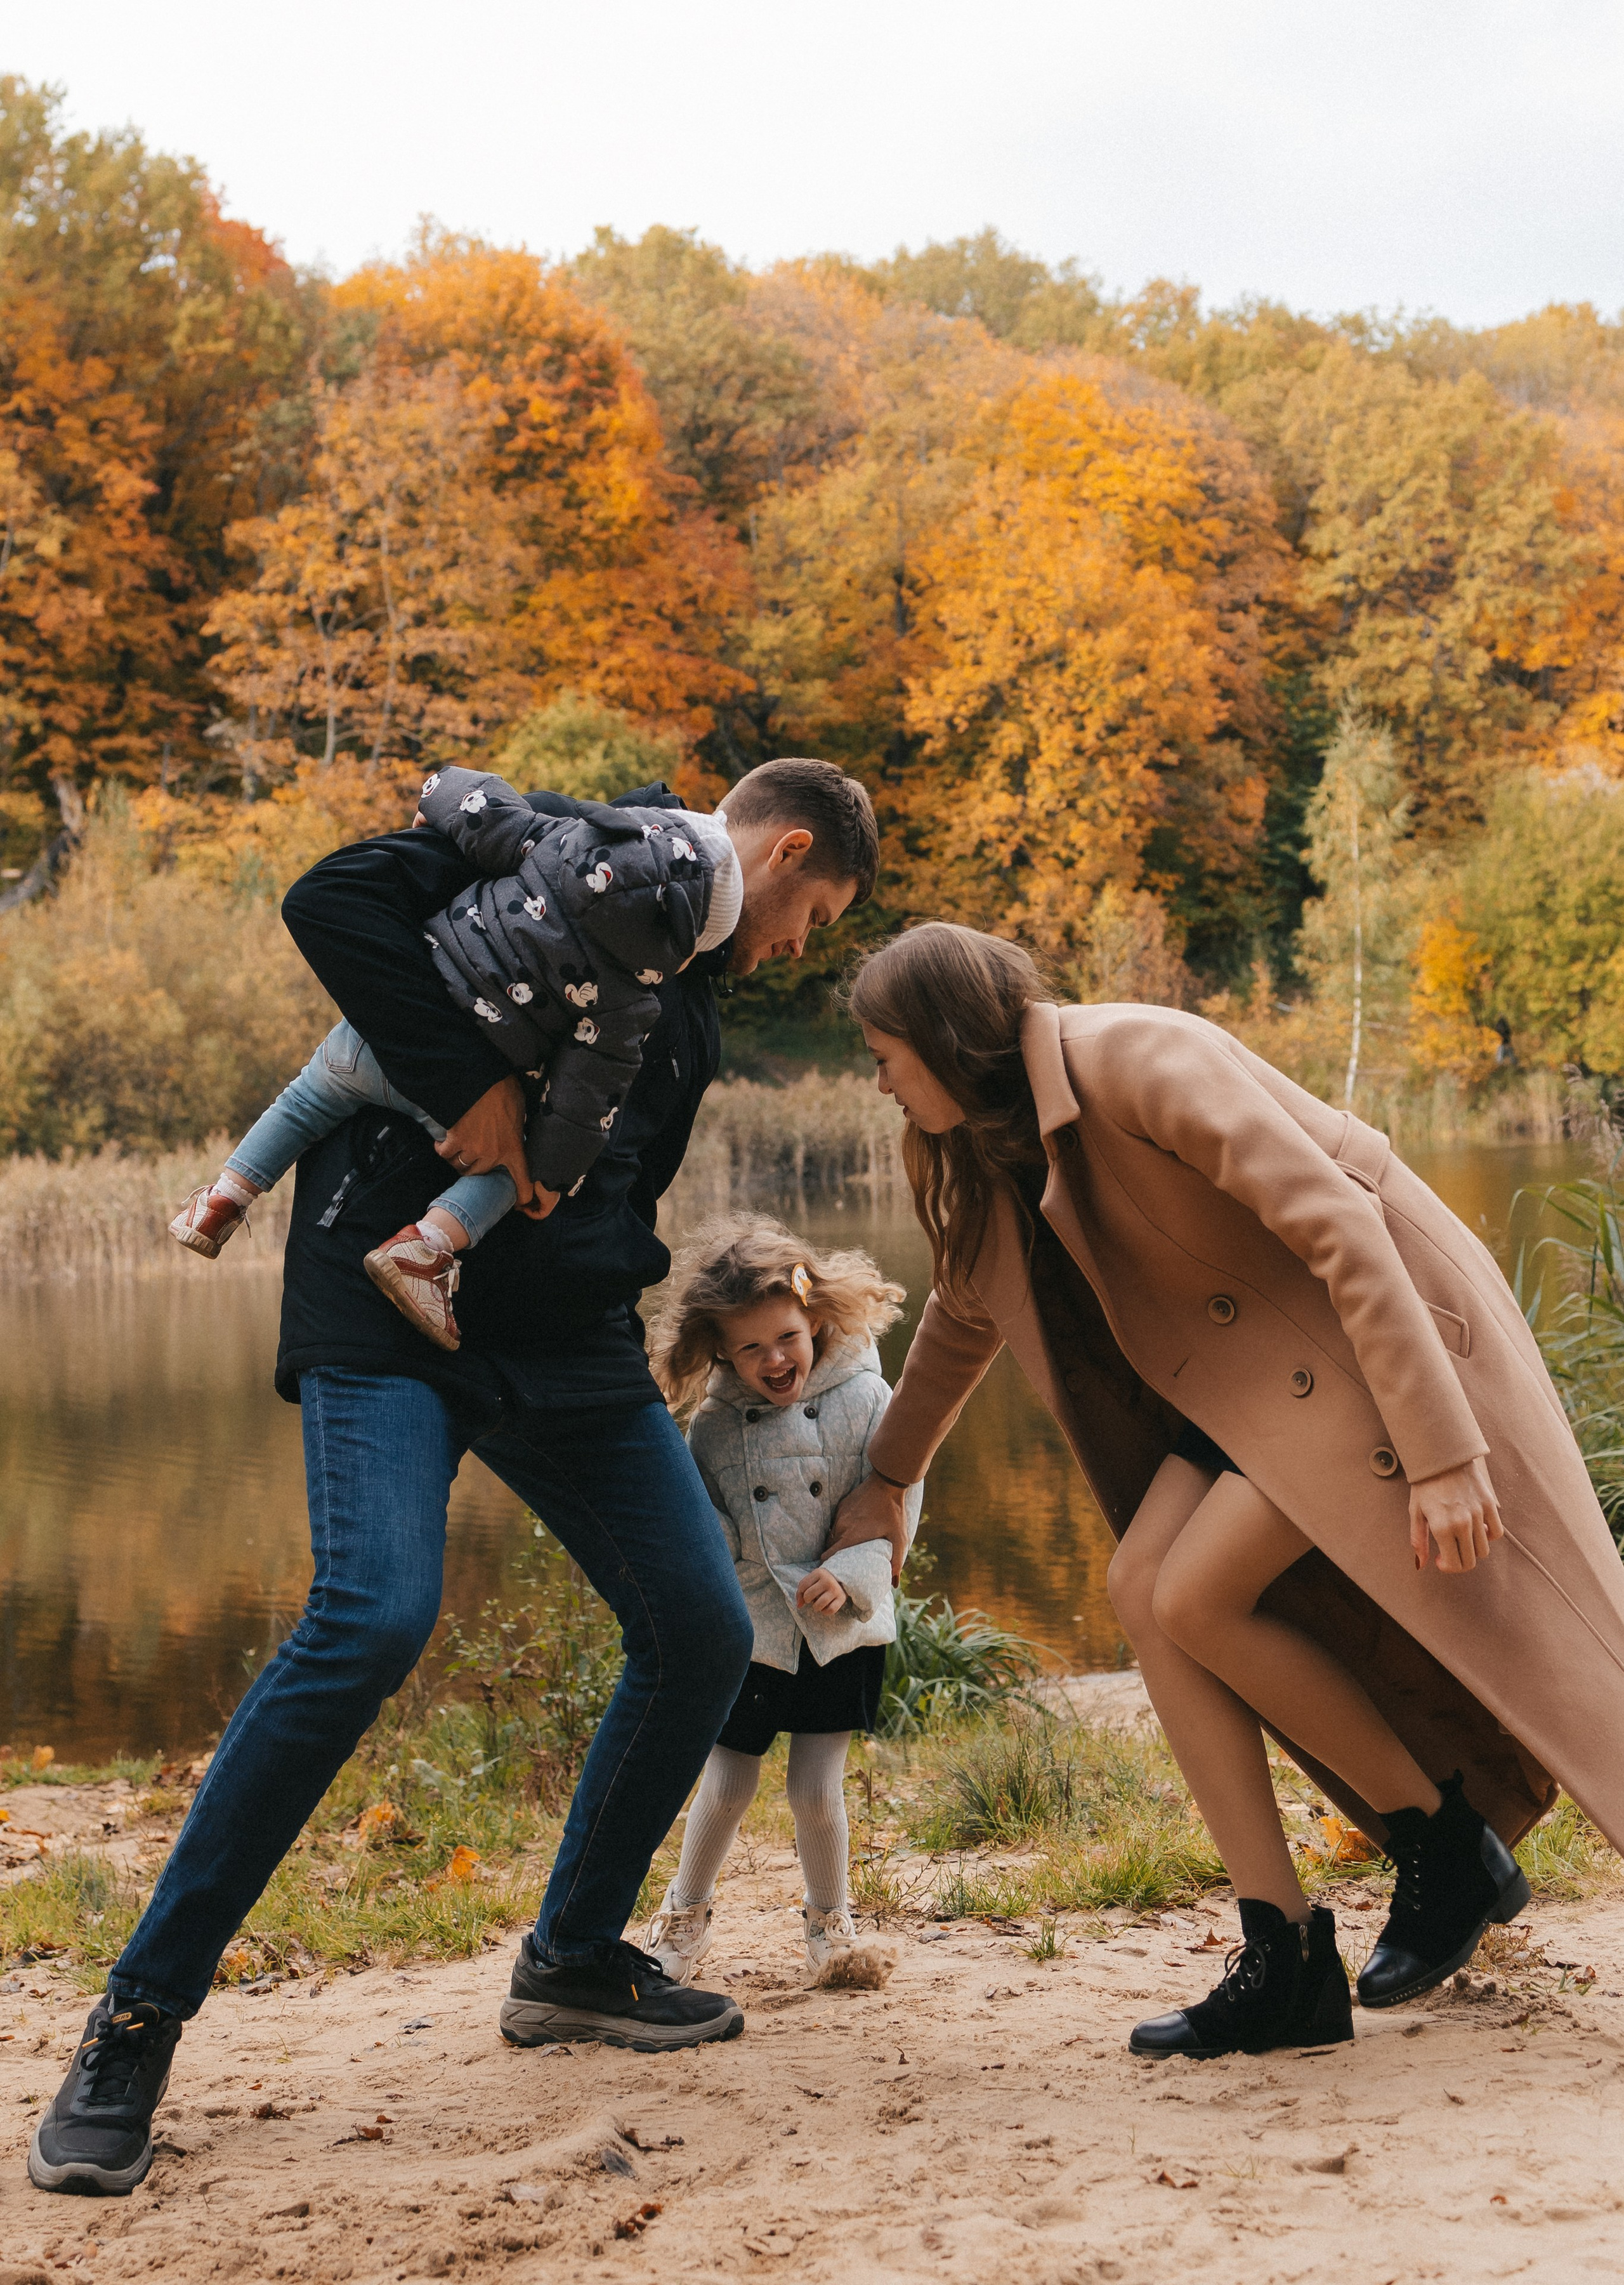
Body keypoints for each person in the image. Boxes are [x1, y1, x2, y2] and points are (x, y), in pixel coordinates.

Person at [29, 756, 879, 2200]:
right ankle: (133, 2020)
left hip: (562, 1346)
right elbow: (334, 899)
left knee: (693, 1624)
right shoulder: (571, 859)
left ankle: (571, 1960)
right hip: (385, 1302)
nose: (797, 942)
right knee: (371, 1612)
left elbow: (611, 1174)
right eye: (813, 912)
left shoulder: (690, 986)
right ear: (778, 846)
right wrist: (467, 1083)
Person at [828, 921, 1624, 2063]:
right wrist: (889, 1480)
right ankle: (1288, 1952)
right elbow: (964, 1319)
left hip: (1368, 1344)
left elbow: (1343, 1225)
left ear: (946, 1038)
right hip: (1254, 1392)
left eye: (885, 1056)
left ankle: (1443, 1848)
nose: (881, 1083)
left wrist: (1444, 1451)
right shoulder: (989, 1145)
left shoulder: (1140, 1056)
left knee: (1197, 1592)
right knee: (1145, 1588)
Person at [168, 765, 742, 1350]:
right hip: (453, 1093)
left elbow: (475, 802)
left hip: (379, 1035)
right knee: (507, 1171)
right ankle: (423, 1249)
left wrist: (438, 804)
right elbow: (584, 1099)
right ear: (685, 946)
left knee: (303, 1098)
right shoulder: (630, 1003)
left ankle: (222, 1200)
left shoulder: (547, 842)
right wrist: (549, 1176)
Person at [640, 1216, 914, 1984]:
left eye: (786, 1337)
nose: (774, 1360)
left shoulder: (867, 1398)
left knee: (816, 1790)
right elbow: (710, 1526)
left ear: (814, 1317)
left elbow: (898, 1502)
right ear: (722, 1352)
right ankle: (683, 1916)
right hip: (755, 1625)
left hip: (838, 1623)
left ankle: (833, 1928)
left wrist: (856, 1574)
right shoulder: (716, 1426)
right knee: (725, 1781)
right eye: (750, 1349)